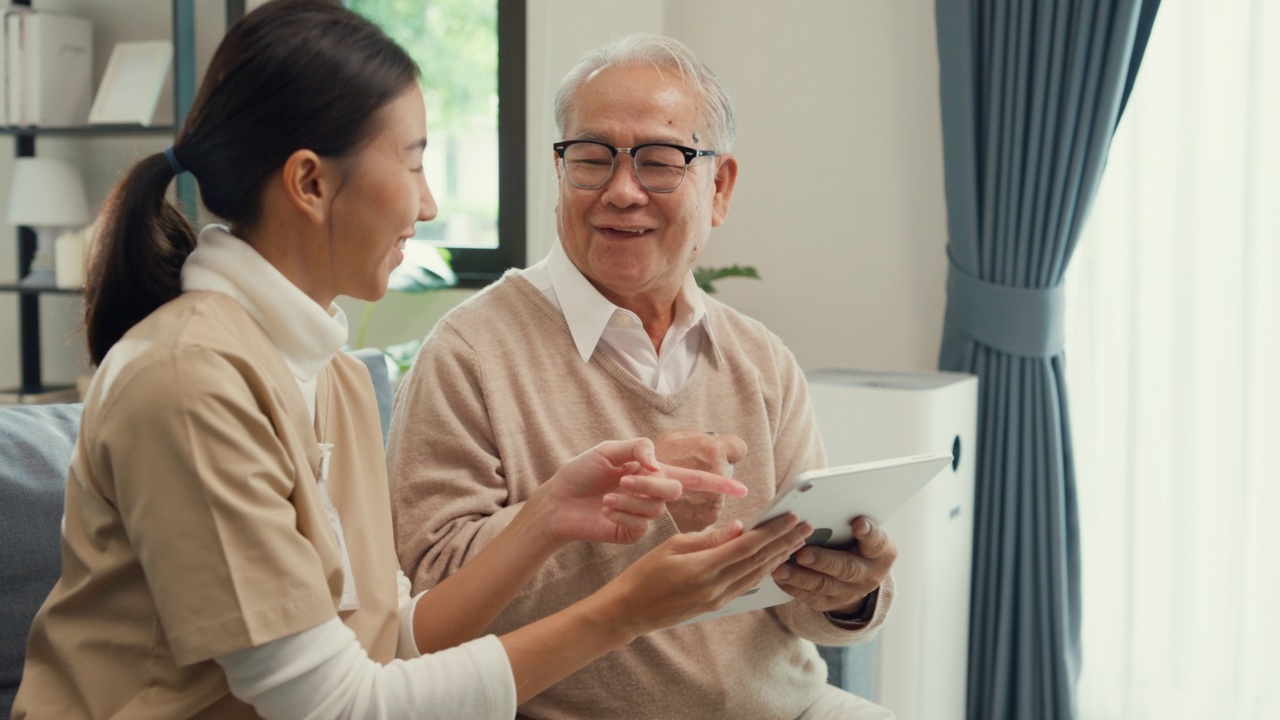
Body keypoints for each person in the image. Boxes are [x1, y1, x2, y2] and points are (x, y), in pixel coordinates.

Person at [10, 4, 815, 718]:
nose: (429, 205)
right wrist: (623, 611)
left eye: (661, 160)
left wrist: (549, 516)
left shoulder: (333, 377)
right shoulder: (189, 382)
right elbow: (335, 704)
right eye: (414, 161)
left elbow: (393, 637)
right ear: (310, 183)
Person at [389, 32, 899, 720]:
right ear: (559, 170)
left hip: (789, 706)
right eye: (592, 159)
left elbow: (800, 615)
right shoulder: (471, 352)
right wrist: (606, 507)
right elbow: (431, 603)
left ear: (719, 187)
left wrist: (846, 593)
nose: (622, 191)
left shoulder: (761, 360)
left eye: (660, 163)